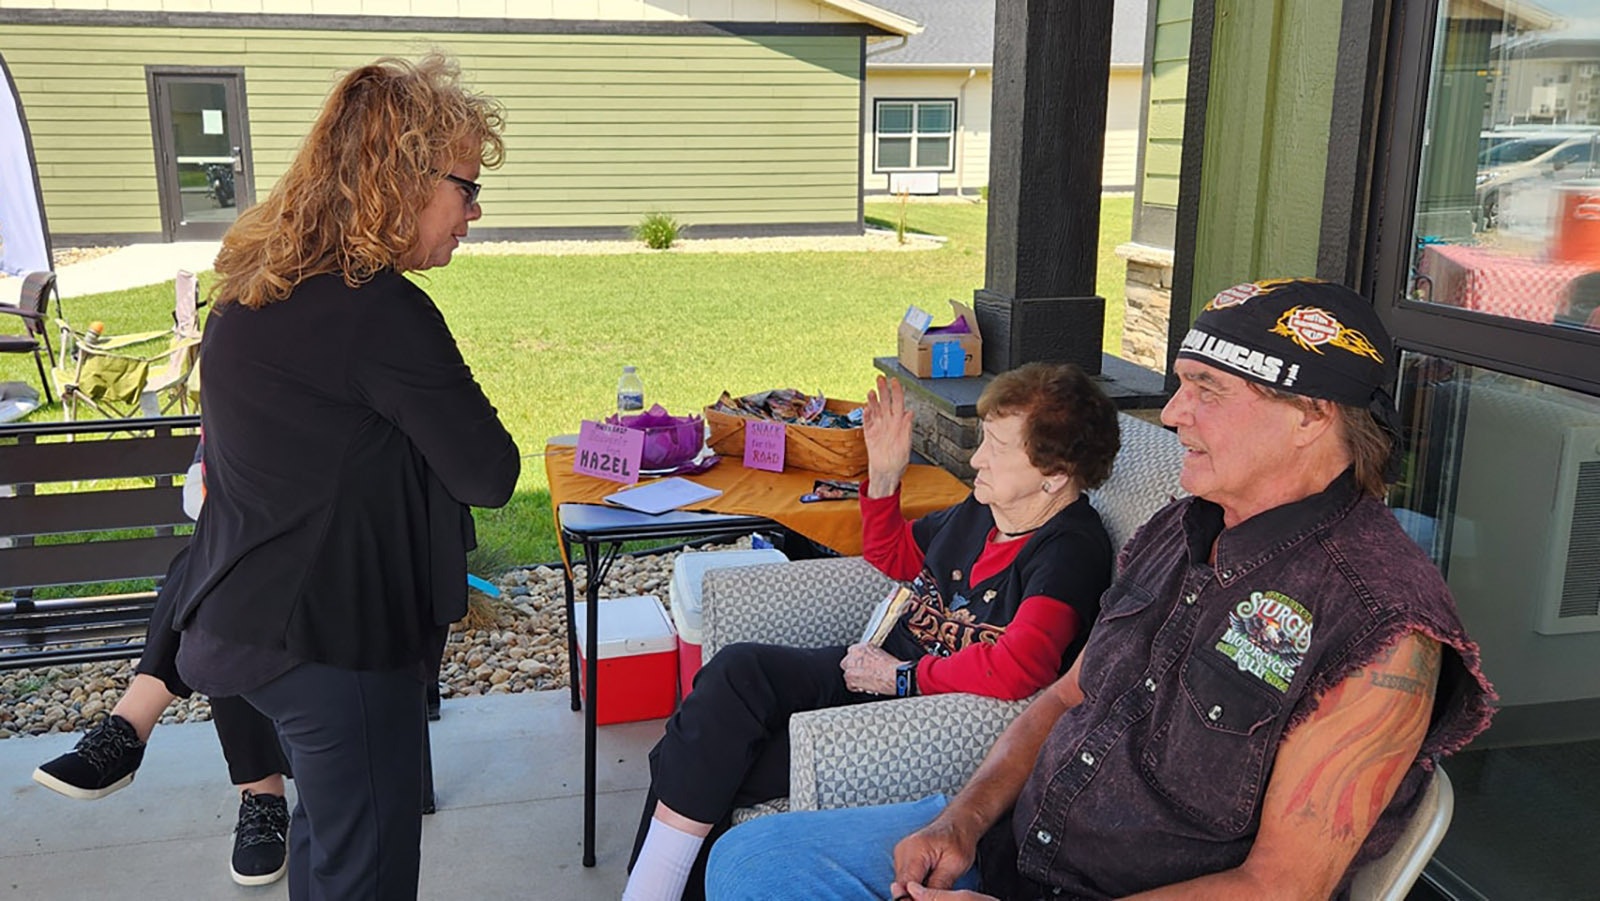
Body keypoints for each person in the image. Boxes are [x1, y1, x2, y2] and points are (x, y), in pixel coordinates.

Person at [705, 279, 1496, 900]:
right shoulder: (1181, 529)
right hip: (1018, 845)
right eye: (1180, 384)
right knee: (751, 859)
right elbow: (1059, 698)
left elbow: (1281, 887)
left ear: (1311, 417)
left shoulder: (1382, 625)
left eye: (1207, 390)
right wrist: (962, 821)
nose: (1176, 412)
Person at [167, 54, 519, 901]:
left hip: (252, 629)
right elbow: (491, 471)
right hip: (338, 643)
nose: (473, 212)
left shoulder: (255, 285)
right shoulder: (380, 311)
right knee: (365, 875)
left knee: (327, 851)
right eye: (465, 187)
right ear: (401, 179)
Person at [623, 363, 1123, 901]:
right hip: (878, 672)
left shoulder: (1069, 549)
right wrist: (884, 476)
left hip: (919, 711)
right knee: (736, 673)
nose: (976, 458)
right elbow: (897, 555)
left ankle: (649, 890)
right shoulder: (983, 511)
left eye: (997, 447)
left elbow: (1022, 665)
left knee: (710, 758)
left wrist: (904, 678)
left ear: (1054, 473)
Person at [33, 439, 295, 886]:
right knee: (217, 586)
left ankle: (131, 731)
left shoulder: (335, 375)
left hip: (335, 554)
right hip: (252, 552)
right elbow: (198, 489)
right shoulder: (235, 380)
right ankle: (259, 797)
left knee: (213, 579)